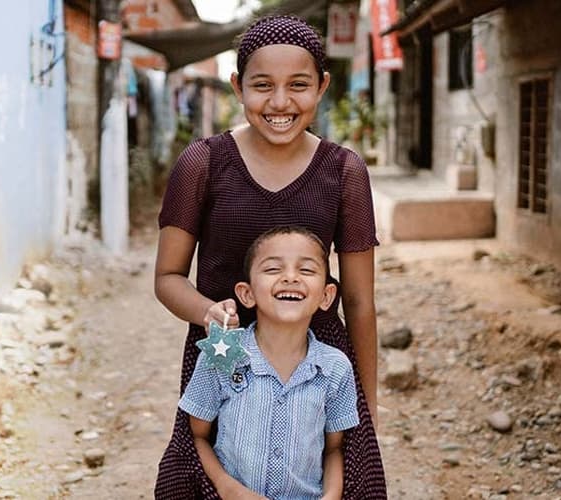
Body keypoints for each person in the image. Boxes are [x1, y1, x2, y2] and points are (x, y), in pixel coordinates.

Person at [154, 14, 387, 499]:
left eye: (298, 85)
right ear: (238, 86)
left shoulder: (344, 171)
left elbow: (361, 303)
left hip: (314, 361)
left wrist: (365, 410)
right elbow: (169, 276)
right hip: (227, 357)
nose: (280, 103)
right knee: (213, 482)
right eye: (263, 85)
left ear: (322, 86)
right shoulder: (202, 163)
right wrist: (211, 316)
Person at [180, 226, 359, 500]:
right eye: (273, 269)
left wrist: (331, 496)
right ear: (246, 294)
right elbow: (197, 435)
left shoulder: (336, 368)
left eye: (307, 270)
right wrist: (227, 487)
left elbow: (334, 448)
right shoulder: (222, 356)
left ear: (326, 296)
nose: (290, 277)